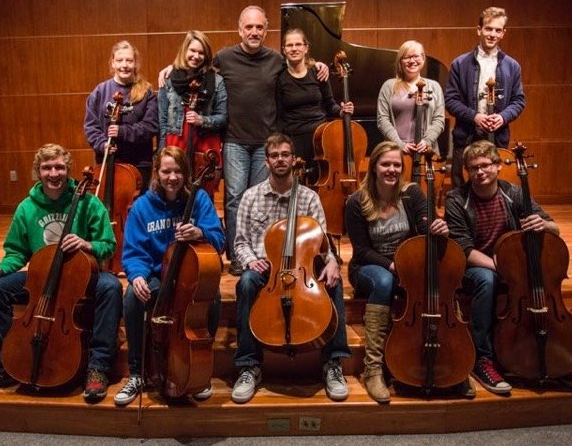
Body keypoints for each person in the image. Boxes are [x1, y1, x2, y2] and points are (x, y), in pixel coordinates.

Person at [159, 7, 329, 275]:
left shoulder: (276, 59)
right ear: (240, 30)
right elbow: (197, 66)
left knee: (262, 201)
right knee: (235, 199)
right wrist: (173, 67)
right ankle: (239, 258)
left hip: (265, 143)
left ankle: (264, 257)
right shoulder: (224, 58)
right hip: (235, 141)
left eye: (259, 27)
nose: (254, 32)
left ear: (266, 30)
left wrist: (317, 64)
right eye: (249, 27)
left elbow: (298, 65)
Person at [0, 144, 122, 402]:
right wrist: (0, 269)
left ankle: (98, 367)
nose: (53, 173)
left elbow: (108, 245)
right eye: (47, 168)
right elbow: (16, 252)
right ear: (38, 172)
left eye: (59, 167)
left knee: (111, 287)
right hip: (41, 278)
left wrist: (87, 244)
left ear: (68, 170)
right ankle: (0, 368)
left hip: (82, 277)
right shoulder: (27, 207)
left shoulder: (89, 203)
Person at [444, 140, 572, 394]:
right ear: (467, 171)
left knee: (537, 273)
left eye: (485, 165)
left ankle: (551, 355)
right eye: (473, 168)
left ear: (498, 166)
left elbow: (554, 227)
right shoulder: (457, 199)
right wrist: (502, 268)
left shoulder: (514, 193)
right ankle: (482, 358)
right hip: (476, 265)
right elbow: (463, 249)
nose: (480, 172)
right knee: (486, 280)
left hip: (511, 262)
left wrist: (544, 225)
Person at [230, 133, 351, 404]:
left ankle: (333, 363)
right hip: (265, 270)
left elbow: (322, 244)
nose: (280, 160)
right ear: (267, 161)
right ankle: (249, 365)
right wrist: (250, 260)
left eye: (285, 154)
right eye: (274, 156)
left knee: (334, 281)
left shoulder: (309, 198)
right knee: (246, 282)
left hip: (301, 269)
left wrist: (332, 261)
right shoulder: (251, 197)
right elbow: (240, 242)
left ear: (293, 158)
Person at [345, 141, 464, 403]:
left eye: (397, 164)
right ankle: (373, 368)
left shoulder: (412, 194)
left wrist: (440, 230)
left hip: (409, 264)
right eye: (385, 164)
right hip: (371, 267)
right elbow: (362, 250)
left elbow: (426, 228)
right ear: (374, 167)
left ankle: (455, 362)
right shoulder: (357, 201)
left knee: (440, 275)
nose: (392, 169)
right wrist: (394, 266)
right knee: (384, 282)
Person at [115, 146, 225, 406]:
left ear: (185, 174)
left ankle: (200, 366)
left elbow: (219, 240)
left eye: (177, 171)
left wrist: (200, 233)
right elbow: (133, 252)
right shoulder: (142, 207)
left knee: (213, 296)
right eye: (166, 171)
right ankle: (137, 372)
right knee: (132, 297)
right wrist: (137, 276)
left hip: (190, 276)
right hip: (156, 275)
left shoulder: (199, 199)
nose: (172, 177)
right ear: (157, 172)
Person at [445, 7, 525, 188]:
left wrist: (502, 117)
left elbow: (518, 101)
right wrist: (475, 117)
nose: (492, 34)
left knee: (496, 188)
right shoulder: (460, 63)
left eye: (498, 30)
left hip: (498, 137)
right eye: (488, 29)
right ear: (479, 30)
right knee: (461, 189)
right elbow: (450, 100)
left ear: (503, 33)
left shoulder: (512, 66)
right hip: (466, 136)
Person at [277, 28, 354, 183]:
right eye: (290, 45)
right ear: (284, 50)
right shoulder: (280, 79)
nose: (294, 48)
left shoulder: (318, 73)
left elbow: (330, 105)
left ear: (306, 48)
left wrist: (341, 111)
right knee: (295, 186)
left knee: (320, 182)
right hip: (294, 140)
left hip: (320, 139)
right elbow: (278, 116)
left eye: (298, 44)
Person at [158, 30, 227, 199]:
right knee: (173, 194)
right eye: (192, 51)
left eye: (201, 52)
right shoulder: (169, 78)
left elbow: (223, 117)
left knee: (204, 196)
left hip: (205, 145)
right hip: (176, 142)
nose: (196, 56)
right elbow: (163, 121)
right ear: (185, 50)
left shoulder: (216, 81)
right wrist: (161, 151)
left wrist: (201, 120)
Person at [84, 40, 158, 192]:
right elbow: (91, 126)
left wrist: (122, 131)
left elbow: (151, 126)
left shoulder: (146, 92)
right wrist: (102, 144)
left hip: (138, 163)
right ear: (113, 63)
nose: (124, 65)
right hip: (107, 161)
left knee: (135, 203)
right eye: (119, 60)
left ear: (135, 63)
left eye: (129, 60)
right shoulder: (100, 91)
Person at [377, 40, 445, 157]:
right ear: (400, 61)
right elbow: (382, 119)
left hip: (426, 149)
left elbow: (439, 119)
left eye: (416, 56)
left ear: (423, 58)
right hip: (395, 149)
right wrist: (399, 144)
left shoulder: (434, 86)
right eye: (407, 57)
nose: (412, 61)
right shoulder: (389, 86)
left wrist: (427, 141)